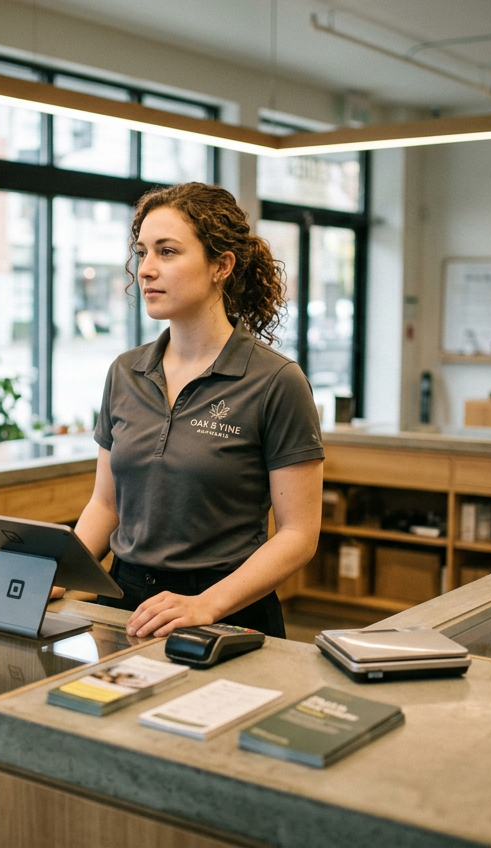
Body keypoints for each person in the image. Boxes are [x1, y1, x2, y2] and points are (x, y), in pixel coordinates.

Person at [68, 182, 324, 639]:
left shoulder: (276, 381)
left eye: (167, 252)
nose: (146, 269)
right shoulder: (125, 372)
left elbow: (298, 535)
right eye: (142, 251)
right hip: (125, 606)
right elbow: (105, 504)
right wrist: (58, 571)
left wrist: (206, 605)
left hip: (227, 610)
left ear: (220, 266)